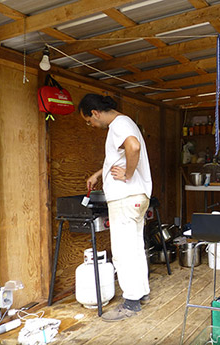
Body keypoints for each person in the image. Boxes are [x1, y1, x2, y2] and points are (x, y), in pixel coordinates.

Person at [78, 94, 152, 322]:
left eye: (89, 121)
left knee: (122, 251)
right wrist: (99, 174)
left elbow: (133, 147)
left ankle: (130, 303)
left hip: (125, 197)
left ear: (95, 113)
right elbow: (121, 157)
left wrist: (128, 174)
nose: (91, 125)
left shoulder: (118, 125)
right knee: (135, 247)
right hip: (136, 197)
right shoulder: (125, 123)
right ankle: (141, 293)